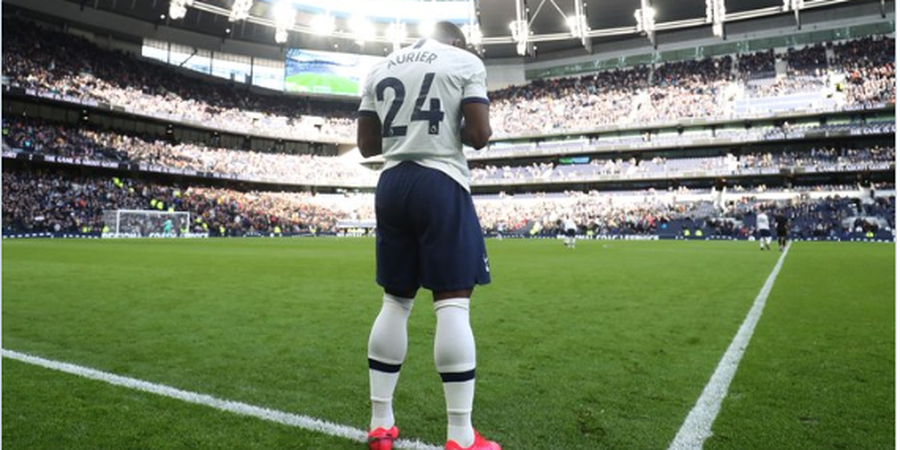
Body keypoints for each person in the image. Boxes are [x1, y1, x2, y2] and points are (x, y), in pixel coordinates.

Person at [357, 22, 501, 450]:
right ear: (455, 40)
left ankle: (380, 423)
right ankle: (460, 434)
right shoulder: (464, 61)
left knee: (395, 302)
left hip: (392, 184)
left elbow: (366, 146)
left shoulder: (380, 67)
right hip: (440, 181)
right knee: (453, 305)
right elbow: (478, 135)